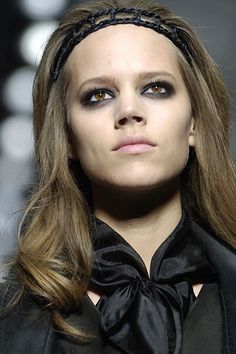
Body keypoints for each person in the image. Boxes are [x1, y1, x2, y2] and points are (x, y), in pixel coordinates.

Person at [0, 0, 236, 353]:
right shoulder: (8, 315)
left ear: (194, 124)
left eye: (156, 88)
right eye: (98, 95)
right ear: (66, 138)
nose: (128, 111)